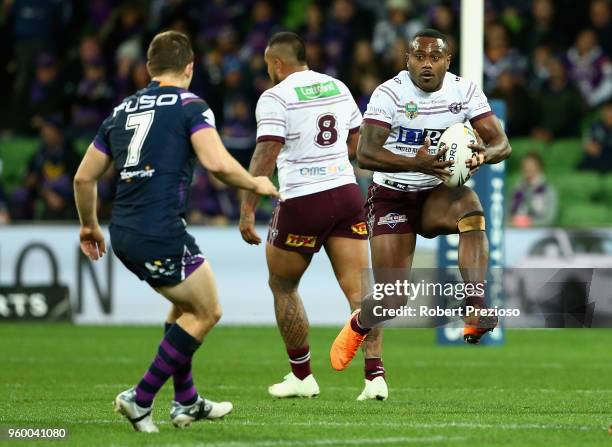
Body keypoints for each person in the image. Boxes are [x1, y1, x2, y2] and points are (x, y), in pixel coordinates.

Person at [73, 31, 278, 433]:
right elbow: (216, 162)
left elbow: (83, 178)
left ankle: (186, 402)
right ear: (190, 67)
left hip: (126, 230)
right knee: (207, 311)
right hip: (158, 229)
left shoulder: (120, 110)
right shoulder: (190, 105)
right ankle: (140, 397)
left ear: (149, 68)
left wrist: (89, 225)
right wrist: (256, 184)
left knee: (185, 307)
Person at [329, 29, 512, 371]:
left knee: (471, 209)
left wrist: (483, 155)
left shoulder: (465, 91)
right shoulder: (389, 94)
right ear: (408, 60)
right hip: (391, 197)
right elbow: (365, 153)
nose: (426, 64)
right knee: (393, 300)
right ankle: (357, 325)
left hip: (435, 194)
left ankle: (475, 307)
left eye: (435, 57)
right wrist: (418, 161)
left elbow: (503, 143)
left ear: (447, 61)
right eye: (419, 57)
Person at [239, 32, 386, 401]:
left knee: (283, 285)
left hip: (303, 201)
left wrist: (247, 208)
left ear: (276, 63)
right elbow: (357, 145)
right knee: (361, 292)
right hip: (346, 194)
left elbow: (266, 154)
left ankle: (302, 376)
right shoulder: (337, 86)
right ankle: (375, 377)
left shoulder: (274, 97)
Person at [509, 152, 558, 227]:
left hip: (538, 231)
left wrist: (529, 223)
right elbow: (507, 213)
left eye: (531, 166)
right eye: (525, 166)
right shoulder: (516, 189)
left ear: (540, 167)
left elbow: (550, 219)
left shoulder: (548, 190)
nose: (528, 169)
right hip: (514, 230)